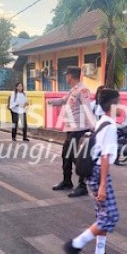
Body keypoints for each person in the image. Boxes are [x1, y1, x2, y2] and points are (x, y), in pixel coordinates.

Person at [64, 88, 121, 254]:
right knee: (110, 216)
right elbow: (105, 157)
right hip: (99, 173)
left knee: (102, 215)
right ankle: (76, 245)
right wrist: (103, 185)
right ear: (113, 105)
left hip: (93, 172)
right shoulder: (110, 126)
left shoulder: (102, 122)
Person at [47, 66, 93, 197]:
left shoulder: (83, 90)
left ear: (71, 76)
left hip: (78, 129)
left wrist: (94, 127)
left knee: (77, 158)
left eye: (66, 75)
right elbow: (63, 101)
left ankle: (83, 186)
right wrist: (50, 102)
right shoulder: (73, 90)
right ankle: (67, 181)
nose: (65, 77)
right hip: (70, 129)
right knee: (66, 156)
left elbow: (87, 108)